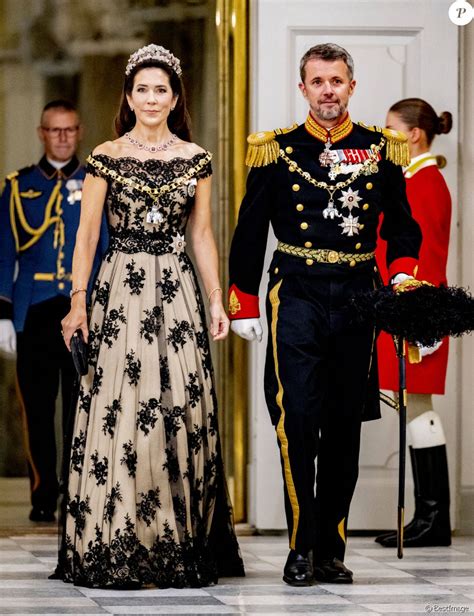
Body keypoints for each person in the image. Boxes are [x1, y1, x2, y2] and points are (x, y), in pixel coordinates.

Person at [228, 43, 422, 586]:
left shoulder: (382, 149)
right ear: (303, 88)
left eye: (337, 80)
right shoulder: (276, 150)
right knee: (298, 421)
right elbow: (249, 233)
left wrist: (405, 276)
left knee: (342, 426)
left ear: (352, 87)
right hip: (297, 292)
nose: (328, 90)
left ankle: (331, 548)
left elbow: (402, 228)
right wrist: (242, 299)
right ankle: (300, 545)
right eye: (318, 81)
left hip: (360, 293)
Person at [57, 44, 244, 588]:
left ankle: (174, 538)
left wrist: (215, 296)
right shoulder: (105, 155)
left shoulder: (196, 157)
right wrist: (77, 300)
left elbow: (202, 234)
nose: (152, 98)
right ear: (129, 96)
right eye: (143, 89)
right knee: (121, 410)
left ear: (176, 96)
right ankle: (118, 540)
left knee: (178, 407)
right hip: (119, 293)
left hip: (178, 292)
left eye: (162, 89)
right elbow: (87, 234)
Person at [0, 100, 105, 522]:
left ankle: (78, 492)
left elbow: (106, 247)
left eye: (69, 130)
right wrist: (3, 313)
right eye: (54, 130)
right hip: (36, 310)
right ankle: (44, 494)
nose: (62, 138)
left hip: (83, 308)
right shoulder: (18, 185)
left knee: (82, 407)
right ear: (42, 133)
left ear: (79, 132)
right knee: (38, 410)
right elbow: (5, 252)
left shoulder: (98, 182)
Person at [375, 99, 453, 548]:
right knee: (413, 407)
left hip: (416, 310)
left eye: (391, 129)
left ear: (414, 135)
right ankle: (429, 517)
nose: (386, 137)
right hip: (410, 308)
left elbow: (422, 257)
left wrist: (415, 315)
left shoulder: (424, 182)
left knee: (418, 406)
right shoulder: (416, 179)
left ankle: (432, 518)